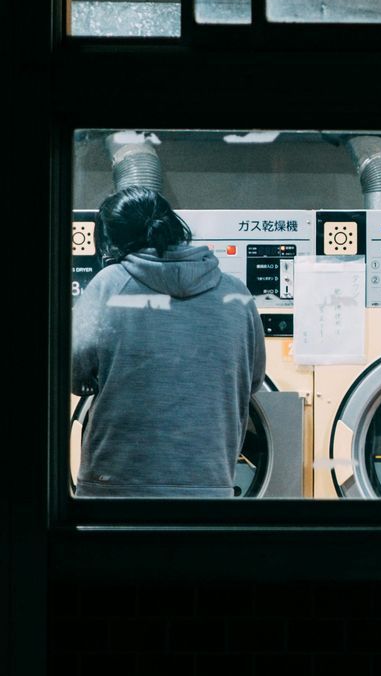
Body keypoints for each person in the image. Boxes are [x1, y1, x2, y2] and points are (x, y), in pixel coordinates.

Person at [72, 188, 266, 498]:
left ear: (111, 242)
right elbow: (252, 381)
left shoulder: (108, 285)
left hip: (118, 488)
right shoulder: (236, 293)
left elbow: (73, 374)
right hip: (209, 485)